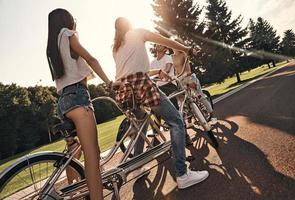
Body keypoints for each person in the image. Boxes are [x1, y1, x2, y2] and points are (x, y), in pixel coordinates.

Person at [112, 17, 209, 189]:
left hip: (124, 91)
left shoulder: (116, 47)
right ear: (129, 25)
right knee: (177, 121)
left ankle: (137, 166)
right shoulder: (138, 33)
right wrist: (186, 49)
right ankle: (182, 174)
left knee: (141, 125)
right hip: (141, 85)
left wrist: (156, 71)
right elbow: (167, 41)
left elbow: (130, 71)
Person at [46, 8, 111, 200]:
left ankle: (72, 189)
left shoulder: (52, 45)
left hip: (63, 102)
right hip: (78, 98)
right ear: (67, 20)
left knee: (74, 151)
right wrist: (109, 83)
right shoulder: (68, 34)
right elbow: (91, 59)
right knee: (93, 156)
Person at [150, 44, 193, 146]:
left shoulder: (168, 57)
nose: (158, 45)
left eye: (161, 45)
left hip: (169, 85)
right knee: (155, 112)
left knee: (175, 111)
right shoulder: (152, 62)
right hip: (158, 87)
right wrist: (155, 76)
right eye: (157, 44)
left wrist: (158, 74)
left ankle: (185, 136)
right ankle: (155, 137)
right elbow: (149, 74)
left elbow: (167, 70)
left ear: (165, 49)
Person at [172, 49, 217, 125]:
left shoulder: (184, 54)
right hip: (180, 80)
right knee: (185, 101)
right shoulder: (171, 57)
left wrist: (187, 80)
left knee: (200, 97)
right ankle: (190, 120)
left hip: (189, 78)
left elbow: (188, 70)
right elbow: (174, 71)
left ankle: (213, 117)